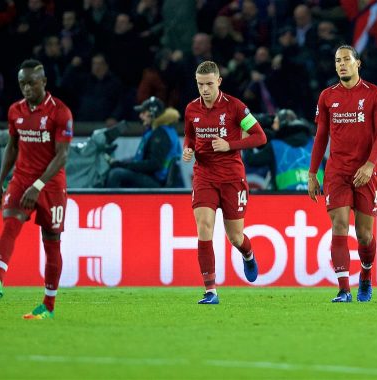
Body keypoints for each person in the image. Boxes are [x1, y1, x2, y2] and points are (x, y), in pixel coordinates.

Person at [0, 59, 73, 320]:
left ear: (43, 81)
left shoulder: (60, 113)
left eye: (31, 82)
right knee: (10, 222)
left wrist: (38, 185)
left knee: (52, 243)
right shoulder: (15, 111)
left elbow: (62, 156)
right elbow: (11, 147)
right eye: (22, 83)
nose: (26, 88)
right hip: (20, 179)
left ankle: (48, 306)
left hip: (51, 186)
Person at [308, 45, 377, 303]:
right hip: (337, 172)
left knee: (364, 235)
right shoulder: (327, 96)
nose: (341, 64)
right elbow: (321, 137)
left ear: (358, 63)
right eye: (337, 61)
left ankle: (365, 275)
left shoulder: (375, 94)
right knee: (339, 225)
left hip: (365, 173)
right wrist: (312, 173)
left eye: (346, 60)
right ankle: (344, 289)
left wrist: (369, 165)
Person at [183, 61, 267, 304]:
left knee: (235, 237)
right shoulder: (191, 109)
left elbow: (260, 137)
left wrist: (231, 145)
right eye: (200, 85)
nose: (205, 89)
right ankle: (211, 291)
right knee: (204, 227)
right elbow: (190, 135)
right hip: (204, 175)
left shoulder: (235, 107)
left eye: (209, 84)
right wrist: (188, 149)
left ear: (219, 81)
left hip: (231, 177)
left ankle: (248, 255)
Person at [105, 96, 182, 188]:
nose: (140, 116)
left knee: (116, 174)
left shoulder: (160, 134)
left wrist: (123, 165)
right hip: (151, 177)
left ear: (153, 114)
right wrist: (122, 163)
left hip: (156, 181)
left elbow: (154, 164)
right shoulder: (158, 131)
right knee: (118, 169)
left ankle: (112, 202)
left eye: (143, 112)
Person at [244, 115, 323, 190]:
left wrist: (249, 138)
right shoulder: (313, 144)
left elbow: (251, 160)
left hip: (285, 200)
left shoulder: (275, 146)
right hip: (317, 199)